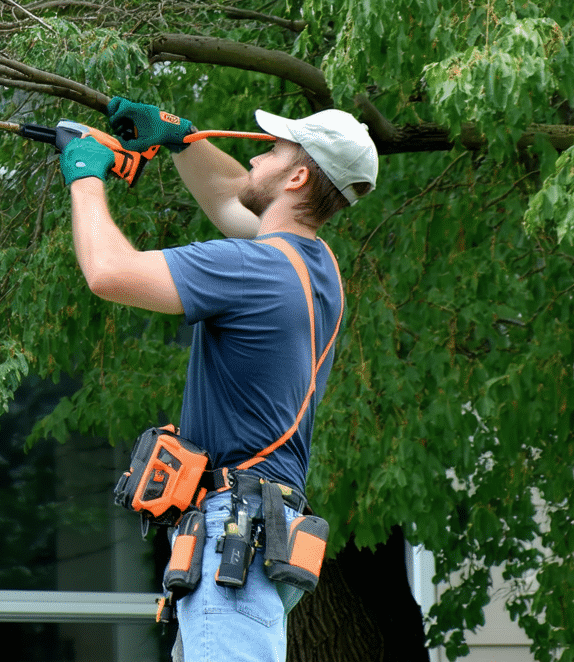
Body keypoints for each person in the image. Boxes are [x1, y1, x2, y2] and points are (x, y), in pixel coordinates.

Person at [58, 96, 379, 662]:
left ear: (299, 175)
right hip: (254, 538)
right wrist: (185, 141)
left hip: (235, 538)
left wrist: (85, 174)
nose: (256, 156)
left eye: (275, 149)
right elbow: (233, 197)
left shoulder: (251, 269)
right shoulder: (316, 267)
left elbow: (108, 272)